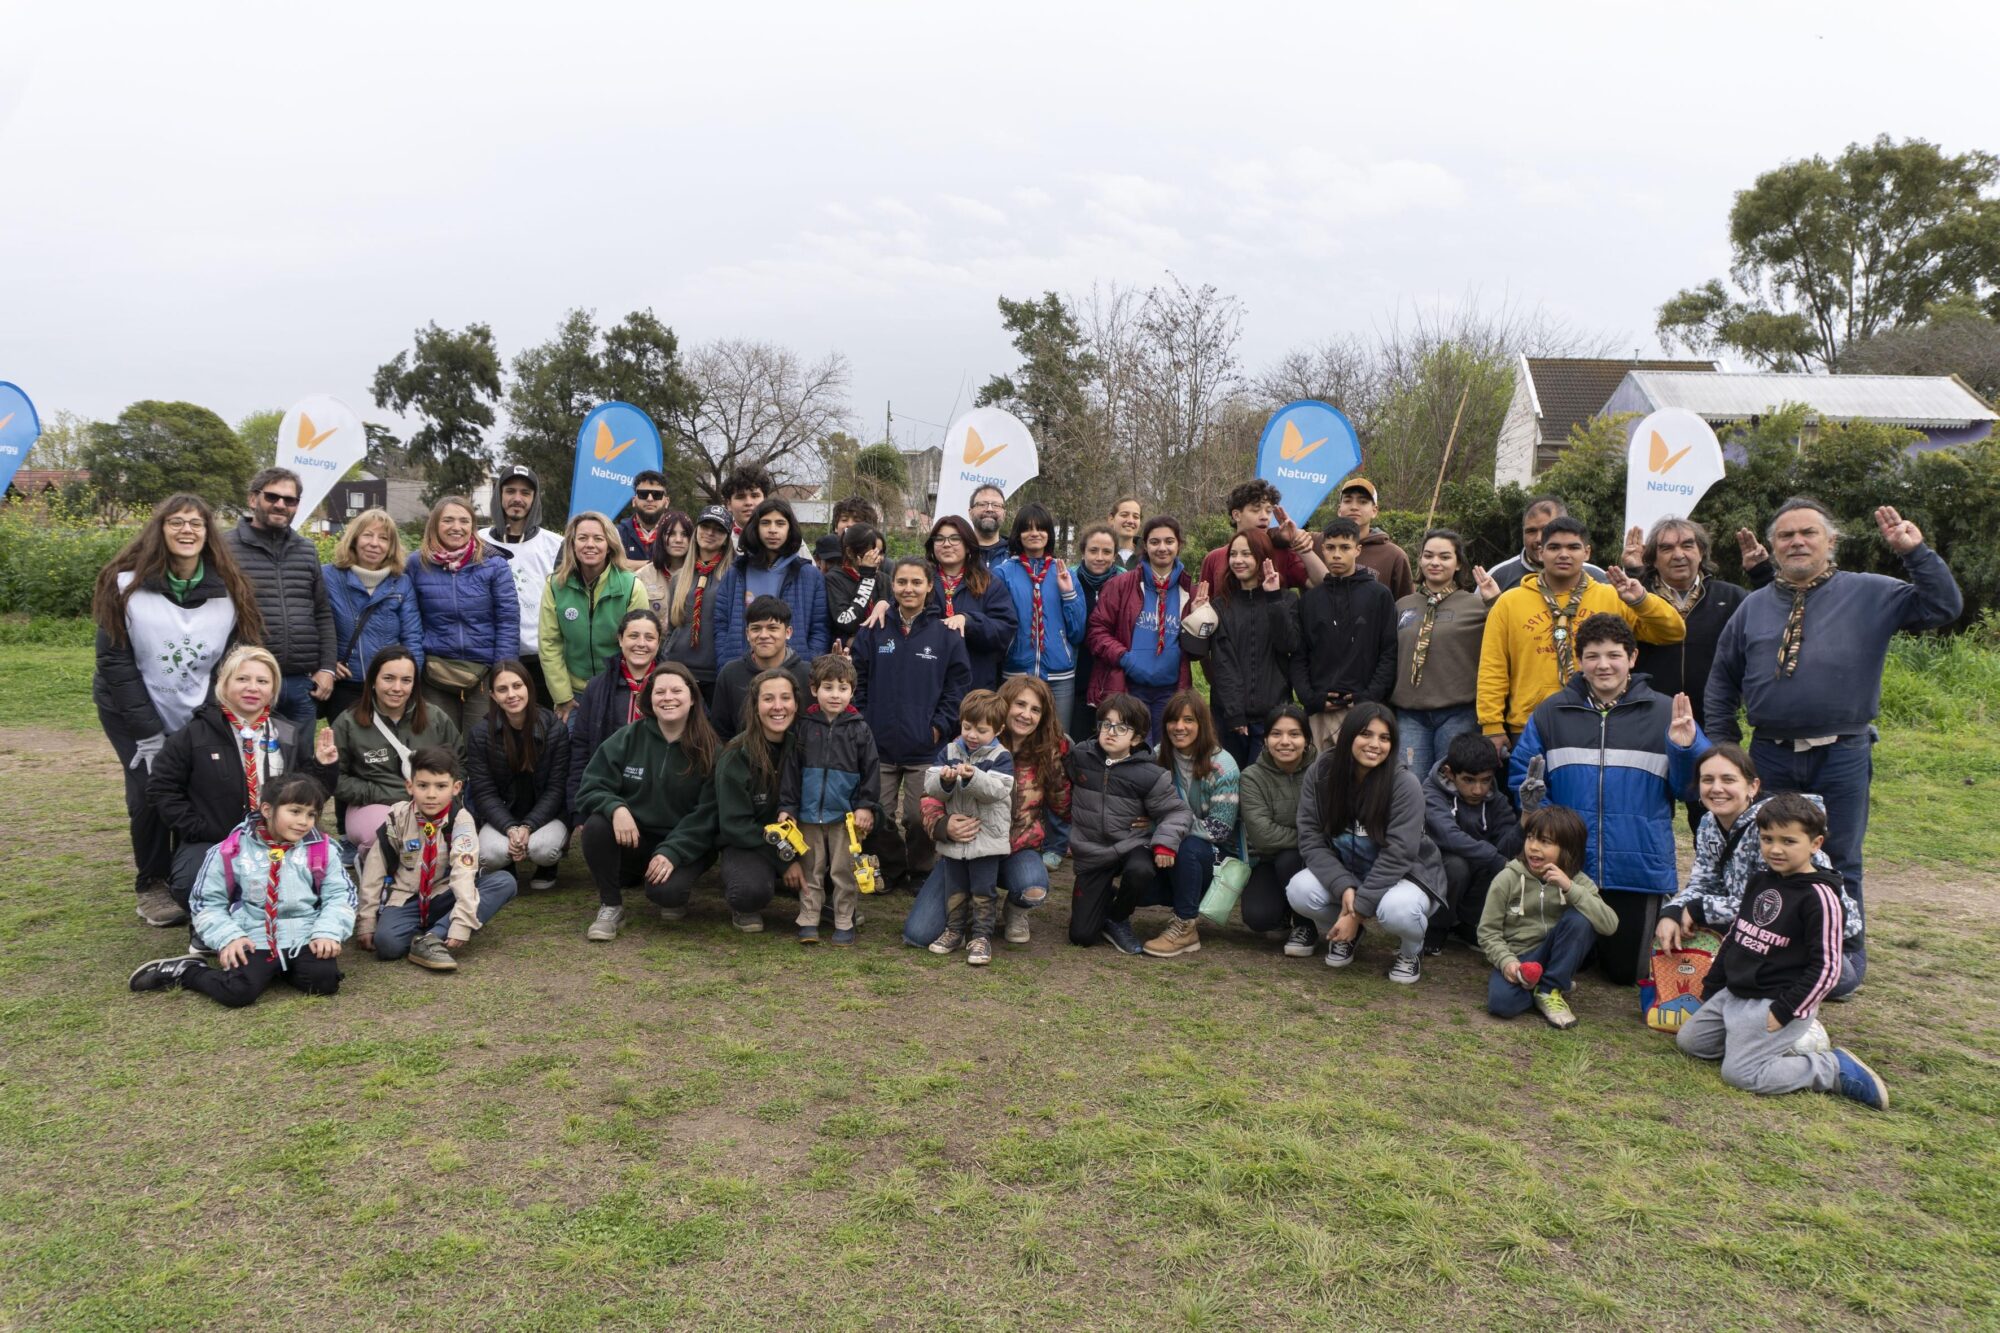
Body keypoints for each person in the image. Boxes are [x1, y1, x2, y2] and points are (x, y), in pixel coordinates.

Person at [1703, 500, 1961, 995]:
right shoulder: (1753, 607)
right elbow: (1722, 682)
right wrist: (1725, 749)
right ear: (1773, 547)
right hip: (1772, 753)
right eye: (1785, 536)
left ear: (1830, 541)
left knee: (1839, 854)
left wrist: (1916, 553)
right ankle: (1774, 946)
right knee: (1768, 853)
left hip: (1842, 750)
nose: (1797, 542)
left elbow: (1943, 607)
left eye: (1808, 533)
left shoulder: (1871, 592)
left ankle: (1842, 956)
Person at [93, 494, 264, 926]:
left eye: (196, 523)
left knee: (200, 782)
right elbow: (115, 661)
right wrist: (149, 731)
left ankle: (190, 871)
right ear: (160, 530)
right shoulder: (124, 583)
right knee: (149, 788)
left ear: (209, 534)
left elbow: (233, 659)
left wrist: (207, 715)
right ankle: (151, 883)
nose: (187, 530)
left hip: (198, 708)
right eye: (176, 522)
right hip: (129, 709)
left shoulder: (230, 588)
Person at [1508, 613, 1703, 985]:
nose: (1603, 665)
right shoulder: (1551, 712)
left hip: (1637, 870)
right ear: (1579, 661)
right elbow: (1523, 776)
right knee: (1570, 961)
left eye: (1613, 655)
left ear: (1632, 658)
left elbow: (1689, 788)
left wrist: (1686, 750)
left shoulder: (1666, 712)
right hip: (1569, 867)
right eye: (1593, 656)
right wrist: (1546, 834)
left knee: (1624, 974)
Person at [1675, 794, 1890, 1110]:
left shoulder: (1820, 897)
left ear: (1815, 843)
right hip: (1736, 994)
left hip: (1776, 999)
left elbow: (1828, 968)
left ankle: (1831, 1067)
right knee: (1690, 1042)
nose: (1775, 849)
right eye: (1767, 839)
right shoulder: (1760, 881)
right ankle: (1767, 1046)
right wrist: (1713, 988)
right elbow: (1737, 936)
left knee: (1740, 1074)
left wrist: (1788, 1010)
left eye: (1789, 841)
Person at [128, 772, 354, 1007]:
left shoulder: (322, 849)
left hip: (305, 934)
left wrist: (327, 932)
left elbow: (340, 895)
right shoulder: (231, 850)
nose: (303, 821)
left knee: (324, 982)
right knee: (237, 992)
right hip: (253, 934)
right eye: (295, 811)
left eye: (311, 815)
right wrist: (230, 937)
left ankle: (279, 967)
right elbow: (206, 902)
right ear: (267, 810)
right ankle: (187, 971)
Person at [1657, 743, 1863, 1001]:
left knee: (1743, 972)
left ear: (1753, 786)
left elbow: (1771, 909)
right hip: (1759, 933)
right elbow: (1703, 882)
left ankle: (1823, 988)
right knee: (1683, 937)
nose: (1716, 788)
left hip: (1819, 944)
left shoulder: (1773, 829)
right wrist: (1673, 911)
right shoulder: (1708, 823)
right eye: (1707, 779)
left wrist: (1699, 908)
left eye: (1728, 779)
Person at [1477, 515, 1683, 753]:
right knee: (1529, 789)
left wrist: (1641, 601)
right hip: (1529, 723)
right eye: (1554, 547)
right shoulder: (1509, 602)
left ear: (1586, 552)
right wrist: (1492, 725)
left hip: (1600, 717)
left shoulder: (1612, 596)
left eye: (1573, 547)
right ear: (1541, 552)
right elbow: (1493, 667)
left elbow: (1673, 632)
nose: (1564, 554)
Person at [149, 644, 328, 919]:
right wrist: (197, 828)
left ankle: (265, 921)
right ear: (225, 683)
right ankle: (213, 922)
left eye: (262, 681)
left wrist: (326, 767)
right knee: (190, 883)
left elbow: (310, 792)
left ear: (273, 689)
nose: (252, 688)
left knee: (317, 880)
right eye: (242, 679)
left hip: (278, 837)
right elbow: (162, 788)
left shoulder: (288, 733)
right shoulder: (193, 734)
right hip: (214, 838)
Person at [906, 674, 1070, 952]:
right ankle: (966, 905)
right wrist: (943, 825)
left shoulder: (1048, 753)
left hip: (1015, 850)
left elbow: (1064, 803)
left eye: (1035, 710)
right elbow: (930, 795)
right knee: (918, 934)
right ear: (1004, 706)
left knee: (1033, 887)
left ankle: (1014, 910)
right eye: (1020, 704)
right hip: (963, 846)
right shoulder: (971, 740)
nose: (1026, 715)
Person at [1286, 704, 1446, 983]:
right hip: (1349, 871)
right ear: (1348, 736)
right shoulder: (1321, 773)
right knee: (1300, 890)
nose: (1375, 745)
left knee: (1397, 911)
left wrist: (1359, 910)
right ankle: (1347, 933)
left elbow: (1400, 853)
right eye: (1366, 734)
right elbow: (1310, 838)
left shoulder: (1404, 783)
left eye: (1384, 738)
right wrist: (1343, 885)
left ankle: (1411, 951)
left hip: (1404, 876)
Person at [1615, 517, 1749, 829]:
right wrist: (1634, 576)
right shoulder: (1633, 597)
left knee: (1716, 816)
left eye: (1687, 545)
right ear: (1653, 558)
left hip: (1714, 722)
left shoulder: (1732, 598)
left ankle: (1716, 876)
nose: (1679, 554)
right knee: (1643, 814)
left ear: (1702, 552)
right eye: (1667, 548)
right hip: (1648, 722)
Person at [573, 664, 721, 941]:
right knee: (596, 825)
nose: (668, 698)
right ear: (649, 698)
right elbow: (591, 785)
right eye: (659, 691)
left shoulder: (710, 748)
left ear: (692, 697)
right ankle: (611, 906)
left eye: (677, 691)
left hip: (684, 845)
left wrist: (673, 852)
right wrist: (615, 807)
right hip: (635, 838)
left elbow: (709, 815)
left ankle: (669, 888)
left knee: (666, 895)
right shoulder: (628, 737)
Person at [853, 558, 973, 891]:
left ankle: (921, 868)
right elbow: (857, 679)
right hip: (878, 745)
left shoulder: (945, 634)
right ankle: (891, 868)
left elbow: (957, 687)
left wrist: (938, 726)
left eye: (916, 582)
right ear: (892, 586)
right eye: (902, 582)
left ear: (928, 587)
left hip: (925, 745)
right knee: (876, 812)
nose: (909, 588)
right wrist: (864, 723)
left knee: (921, 817)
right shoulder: (874, 629)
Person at [354, 745, 518, 972]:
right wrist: (367, 920)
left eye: (441, 786)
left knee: (503, 882)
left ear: (456, 787)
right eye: (423, 786)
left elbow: (463, 872)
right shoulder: (397, 817)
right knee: (387, 946)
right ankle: (427, 931)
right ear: (410, 786)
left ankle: (433, 936)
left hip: (445, 894)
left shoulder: (460, 821)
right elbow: (375, 867)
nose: (431, 794)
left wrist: (461, 923)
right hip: (406, 898)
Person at [1063, 692, 1194, 954]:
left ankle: (1117, 916)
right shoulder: (1079, 756)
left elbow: (1177, 813)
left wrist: (1165, 842)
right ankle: (1102, 900)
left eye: (1122, 727)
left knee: (1141, 871)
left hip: (1130, 845)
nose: (1111, 732)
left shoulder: (1150, 774)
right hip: (1092, 851)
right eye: (1106, 724)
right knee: (1082, 935)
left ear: (1136, 738)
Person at [1478, 805, 1617, 1029]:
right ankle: (1543, 985)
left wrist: (1570, 888)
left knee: (1580, 918)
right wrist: (1507, 963)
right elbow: (1487, 932)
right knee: (1501, 1004)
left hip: (1557, 953)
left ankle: (1550, 988)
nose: (1534, 847)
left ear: (1568, 849)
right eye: (1531, 838)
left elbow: (1609, 924)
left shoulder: (1577, 880)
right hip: (1521, 957)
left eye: (1545, 842)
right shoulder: (1507, 878)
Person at [224, 466, 337, 731]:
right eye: (272, 497)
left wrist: (327, 668)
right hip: (248, 682)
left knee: (301, 766)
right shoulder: (225, 548)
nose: (280, 505)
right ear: (253, 499)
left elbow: (321, 612)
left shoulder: (306, 550)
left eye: (290, 500)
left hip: (299, 683)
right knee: (250, 763)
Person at [778, 654, 880, 946]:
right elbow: (791, 772)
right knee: (812, 869)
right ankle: (808, 918)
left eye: (842, 688)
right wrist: (788, 807)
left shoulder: (860, 728)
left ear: (852, 691)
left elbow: (871, 771)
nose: (835, 694)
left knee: (843, 870)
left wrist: (865, 806)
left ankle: (844, 918)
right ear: (814, 689)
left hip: (844, 818)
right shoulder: (803, 726)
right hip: (808, 815)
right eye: (828, 687)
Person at [1182, 528, 1298, 771]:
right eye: (1233, 554)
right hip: (1229, 716)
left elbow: (1288, 644)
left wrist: (1274, 597)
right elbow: (1207, 656)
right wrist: (1198, 616)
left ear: (1262, 556)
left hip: (1274, 717)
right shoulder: (1220, 605)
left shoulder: (1286, 600)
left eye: (1246, 553)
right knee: (1230, 785)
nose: (1238, 560)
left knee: (1263, 787)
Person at [326, 646, 462, 849]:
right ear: (373, 680)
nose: (397, 688)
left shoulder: (436, 718)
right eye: (388, 678)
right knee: (383, 832)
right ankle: (377, 873)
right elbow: (334, 778)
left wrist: (439, 793)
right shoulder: (348, 723)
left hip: (432, 803)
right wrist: (377, 792)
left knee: (460, 830)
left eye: (406, 680)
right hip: (374, 805)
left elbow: (460, 763)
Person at [705, 668, 808, 934]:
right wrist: (783, 859)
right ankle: (746, 897)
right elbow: (735, 826)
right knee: (749, 892)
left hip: (800, 839)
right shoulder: (736, 755)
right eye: (768, 699)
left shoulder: (805, 747)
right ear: (755, 705)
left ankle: (813, 898)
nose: (778, 707)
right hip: (749, 842)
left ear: (796, 704)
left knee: (835, 875)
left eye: (785, 698)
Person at [406, 496, 519, 733]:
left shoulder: (493, 564)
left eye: (464, 521)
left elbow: (507, 620)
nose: (456, 527)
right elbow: (411, 621)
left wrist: (502, 671)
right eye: (448, 520)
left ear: (473, 526)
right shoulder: (417, 564)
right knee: (439, 743)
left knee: (481, 742)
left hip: (483, 672)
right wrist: (415, 668)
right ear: (435, 524)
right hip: (435, 671)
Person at [921, 690, 1016, 965]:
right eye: (967, 727)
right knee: (956, 888)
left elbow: (998, 790)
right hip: (954, 841)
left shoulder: (1001, 756)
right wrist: (946, 780)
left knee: (983, 890)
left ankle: (982, 936)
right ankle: (954, 931)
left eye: (981, 730)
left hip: (986, 839)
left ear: (998, 729)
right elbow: (930, 786)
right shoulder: (950, 750)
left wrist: (974, 776)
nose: (972, 735)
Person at [1392, 528, 1496, 778]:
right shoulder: (1403, 605)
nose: (1435, 562)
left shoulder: (1476, 605)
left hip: (1458, 713)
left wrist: (1495, 603)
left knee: (1450, 784)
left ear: (1458, 563)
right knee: (1410, 784)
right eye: (1428, 555)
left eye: (1445, 556)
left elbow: (1506, 641)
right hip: (1410, 714)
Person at [1144, 690, 1241, 958]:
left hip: (1215, 854)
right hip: (1169, 843)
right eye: (1173, 720)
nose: (1179, 727)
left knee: (1186, 844)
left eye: (1188, 720)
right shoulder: (1159, 755)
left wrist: (1170, 827)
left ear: (1202, 724)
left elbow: (1219, 830)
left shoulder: (1223, 766)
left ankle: (1186, 926)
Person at [1290, 518, 1398, 753]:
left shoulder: (1379, 595)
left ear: (1357, 550)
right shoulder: (1309, 600)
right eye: (1330, 548)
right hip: (1320, 712)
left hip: (1363, 711)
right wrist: (1310, 698)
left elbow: (1389, 652)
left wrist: (1367, 698)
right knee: (1320, 779)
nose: (1336, 554)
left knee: (1363, 781)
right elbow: (1299, 655)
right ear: (1322, 550)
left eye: (1345, 547)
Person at [1084, 515, 1192, 744]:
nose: (1162, 548)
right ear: (1145, 546)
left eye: (1169, 541)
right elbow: (1096, 631)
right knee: (1131, 753)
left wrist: (1202, 621)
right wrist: (1125, 658)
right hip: (1127, 688)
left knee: (1166, 757)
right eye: (1155, 542)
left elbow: (1197, 651)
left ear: (1179, 545)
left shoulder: (1189, 590)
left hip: (1171, 691)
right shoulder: (1121, 585)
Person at [465, 660, 570, 892]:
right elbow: (484, 792)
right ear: (492, 695)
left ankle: (547, 866)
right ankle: (506, 865)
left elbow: (556, 788)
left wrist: (529, 826)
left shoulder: (555, 729)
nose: (511, 694)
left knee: (543, 849)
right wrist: (510, 827)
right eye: (502, 689)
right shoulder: (480, 735)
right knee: (490, 854)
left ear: (529, 688)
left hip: (547, 816)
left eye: (517, 686)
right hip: (503, 814)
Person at [539, 511, 652, 721]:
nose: (590, 544)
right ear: (572, 544)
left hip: (618, 689)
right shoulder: (555, 586)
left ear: (609, 544)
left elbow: (639, 645)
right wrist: (562, 696)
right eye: (582, 538)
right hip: (573, 693)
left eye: (598, 538)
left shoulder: (631, 587)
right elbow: (549, 644)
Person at [1423, 732, 1524, 952]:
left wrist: (1526, 819)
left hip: (1476, 868)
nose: (1478, 790)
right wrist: (1496, 859)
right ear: (1450, 773)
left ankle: (1466, 924)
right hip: (1433, 868)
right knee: (1459, 865)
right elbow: (1449, 836)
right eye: (1469, 780)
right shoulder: (1431, 792)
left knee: (1506, 863)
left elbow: (1506, 845)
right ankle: (1436, 926)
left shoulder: (1496, 799)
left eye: (1485, 780)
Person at [323, 507, 425, 720]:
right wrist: (325, 663)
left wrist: (408, 679)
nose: (374, 543)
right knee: (346, 748)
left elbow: (412, 637)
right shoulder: (328, 577)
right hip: (345, 686)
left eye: (383, 538)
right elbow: (313, 626)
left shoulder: (401, 583)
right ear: (354, 539)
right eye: (367, 535)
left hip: (388, 687)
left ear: (391, 547)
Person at [994, 503, 1087, 728]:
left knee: (1058, 740)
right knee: (1014, 739)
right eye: (1027, 528)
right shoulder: (1003, 572)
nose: (1034, 533)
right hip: (1016, 672)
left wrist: (1068, 593)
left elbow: (1077, 632)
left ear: (1049, 534)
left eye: (1041, 528)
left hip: (1059, 675)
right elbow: (998, 623)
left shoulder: (1064, 571)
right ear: (1018, 534)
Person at [564, 609, 664, 816]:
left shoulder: (674, 684)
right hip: (611, 784)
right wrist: (578, 810)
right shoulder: (597, 687)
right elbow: (582, 746)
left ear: (659, 642)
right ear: (620, 639)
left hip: (661, 786)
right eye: (633, 636)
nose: (641, 644)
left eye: (650, 637)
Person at [484, 464, 565, 704]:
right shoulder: (477, 542)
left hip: (540, 660)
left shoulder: (555, 545)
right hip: (491, 658)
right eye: (510, 491)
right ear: (499, 495)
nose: (517, 499)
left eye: (525, 493)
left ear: (535, 499)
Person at [715, 497, 829, 668]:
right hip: (743, 670)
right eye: (766, 523)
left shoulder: (810, 575)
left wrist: (807, 666)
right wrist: (725, 660)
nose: (773, 530)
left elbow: (820, 628)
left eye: (780, 523)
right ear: (756, 527)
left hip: (793, 673)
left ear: (790, 528)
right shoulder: (736, 573)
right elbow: (720, 624)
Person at [1238, 705, 1315, 954]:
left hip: (1319, 859)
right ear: (1265, 739)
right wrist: (1310, 837)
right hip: (1268, 859)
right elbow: (1263, 835)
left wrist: (1314, 843)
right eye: (1276, 734)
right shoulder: (1252, 777)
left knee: (1290, 858)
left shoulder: (1323, 771)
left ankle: (1306, 925)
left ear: (1307, 739)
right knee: (1259, 917)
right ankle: (1285, 913)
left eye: (1294, 734)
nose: (1285, 742)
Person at [912, 514, 1017, 691]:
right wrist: (883, 604)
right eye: (940, 539)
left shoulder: (988, 583)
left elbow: (1005, 629)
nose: (946, 544)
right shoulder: (918, 579)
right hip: (925, 680)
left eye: (955, 539)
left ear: (968, 545)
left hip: (974, 684)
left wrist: (969, 621)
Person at [1195, 479, 1324, 593]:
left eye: (1268, 511)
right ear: (1236, 515)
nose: (1264, 517)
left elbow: (1322, 584)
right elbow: (1204, 607)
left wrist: (1297, 541)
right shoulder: (1214, 558)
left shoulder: (1283, 554)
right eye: (1255, 510)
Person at [711, 596, 811, 741]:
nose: (764, 635)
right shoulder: (730, 674)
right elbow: (720, 733)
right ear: (747, 633)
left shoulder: (807, 674)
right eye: (756, 628)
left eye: (772, 628)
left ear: (788, 632)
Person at [662, 506, 734, 705]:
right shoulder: (679, 578)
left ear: (727, 537)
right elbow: (672, 626)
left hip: (714, 672)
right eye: (705, 526)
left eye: (718, 529)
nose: (710, 533)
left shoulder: (733, 577)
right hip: (678, 668)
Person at [1068, 523, 1123, 739]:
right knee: (1078, 739)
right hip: (1076, 674)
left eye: (1106, 551)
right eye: (1093, 550)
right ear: (1083, 552)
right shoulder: (1068, 580)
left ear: (1115, 554)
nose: (1099, 557)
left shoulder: (1125, 582)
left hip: (1112, 674)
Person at [1486, 496, 1608, 594]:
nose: (1539, 538)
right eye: (1531, 531)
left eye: (1547, 529)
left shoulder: (1598, 578)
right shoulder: (1498, 576)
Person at [1334, 477, 1413, 598]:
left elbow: (1406, 606)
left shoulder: (1395, 556)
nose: (1354, 507)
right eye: (1348, 501)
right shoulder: (1317, 543)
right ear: (1339, 509)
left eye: (1363, 502)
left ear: (1374, 511)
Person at [824, 522, 888, 649]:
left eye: (880, 553)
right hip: (851, 654)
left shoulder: (883, 579)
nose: (878, 558)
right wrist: (867, 577)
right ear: (850, 552)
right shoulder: (834, 579)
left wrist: (884, 604)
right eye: (871, 553)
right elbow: (847, 622)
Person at [638, 511, 694, 616]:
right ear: (661, 538)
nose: (678, 540)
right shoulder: (642, 576)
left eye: (685, 534)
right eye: (671, 534)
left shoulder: (700, 576)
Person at [617, 469, 673, 562]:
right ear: (634, 501)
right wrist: (659, 565)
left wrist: (629, 564)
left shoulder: (677, 533)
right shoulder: (617, 533)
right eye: (643, 494)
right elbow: (614, 566)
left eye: (657, 494)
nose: (650, 499)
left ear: (666, 502)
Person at [721, 463, 773, 549]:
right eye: (740, 497)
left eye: (755, 496)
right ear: (728, 504)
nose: (748, 502)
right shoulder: (718, 542)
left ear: (765, 500)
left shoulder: (788, 540)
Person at [968, 484, 1011, 566]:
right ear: (970, 512)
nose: (989, 509)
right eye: (982, 504)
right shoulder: (958, 552)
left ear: (1004, 514)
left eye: (996, 505)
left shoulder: (1016, 554)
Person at [1108, 497, 1144, 570]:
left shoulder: (1148, 554)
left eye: (1136, 517)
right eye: (1124, 515)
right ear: (1111, 519)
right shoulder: (1099, 553)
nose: (1131, 521)